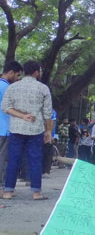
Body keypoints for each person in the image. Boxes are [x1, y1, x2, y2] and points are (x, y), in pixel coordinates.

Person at [1, 60, 53, 200]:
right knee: (35, 160)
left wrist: (22, 116)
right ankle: (36, 192)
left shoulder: (13, 87)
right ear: (36, 72)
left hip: (16, 129)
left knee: (13, 160)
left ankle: (8, 191)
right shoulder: (43, 88)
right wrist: (48, 131)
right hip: (35, 130)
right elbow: (48, 113)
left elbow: (5, 107)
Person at [0, 60, 22, 188]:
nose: (18, 78)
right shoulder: (8, 88)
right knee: (3, 159)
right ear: (11, 72)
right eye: (18, 75)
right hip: (4, 129)